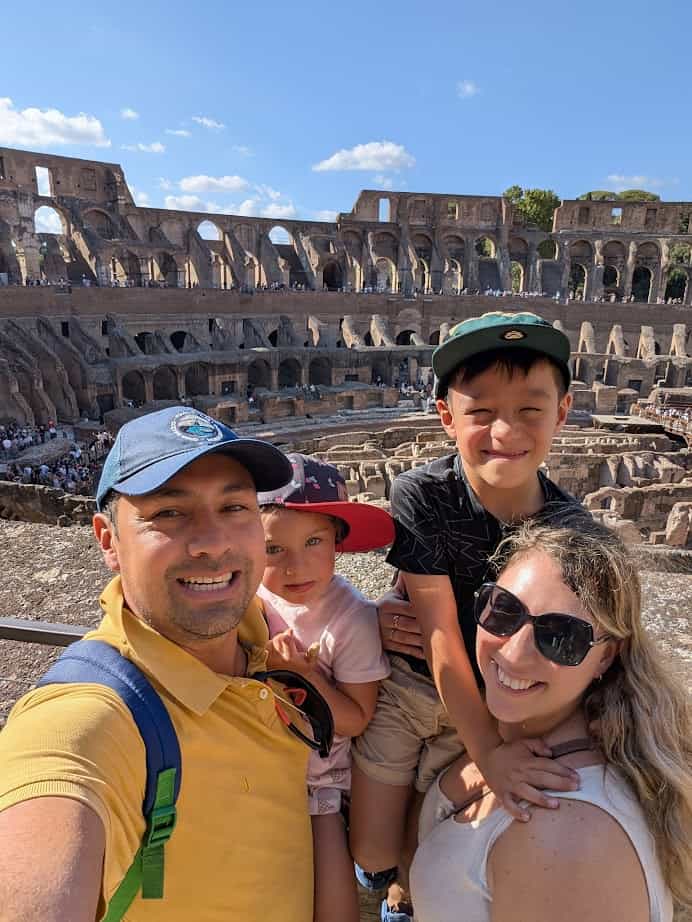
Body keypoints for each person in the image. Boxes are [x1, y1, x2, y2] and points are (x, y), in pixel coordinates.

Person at [0, 406, 316, 922]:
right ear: (109, 541)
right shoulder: (84, 723)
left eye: (235, 506)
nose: (213, 541)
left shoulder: (271, 636)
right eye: (168, 513)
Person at [350, 311, 583, 921]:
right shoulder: (421, 494)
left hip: (501, 704)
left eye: (530, 409)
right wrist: (490, 756)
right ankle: (390, 882)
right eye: (480, 410)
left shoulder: (574, 529)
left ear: (562, 412)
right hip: (411, 686)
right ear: (446, 415)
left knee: (429, 841)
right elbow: (439, 635)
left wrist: (496, 745)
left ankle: (405, 896)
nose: (505, 428)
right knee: (371, 848)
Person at [410, 516, 691, 921]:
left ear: (606, 657)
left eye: (561, 637)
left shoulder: (566, 836)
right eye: (503, 610)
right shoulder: (508, 742)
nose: (513, 653)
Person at [257, 454, 394, 922]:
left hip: (319, 776)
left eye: (313, 541)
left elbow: (357, 718)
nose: (296, 566)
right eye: (274, 550)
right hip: (260, 766)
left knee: (329, 876)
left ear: (337, 540)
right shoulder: (251, 600)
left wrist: (306, 675)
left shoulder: (351, 618)